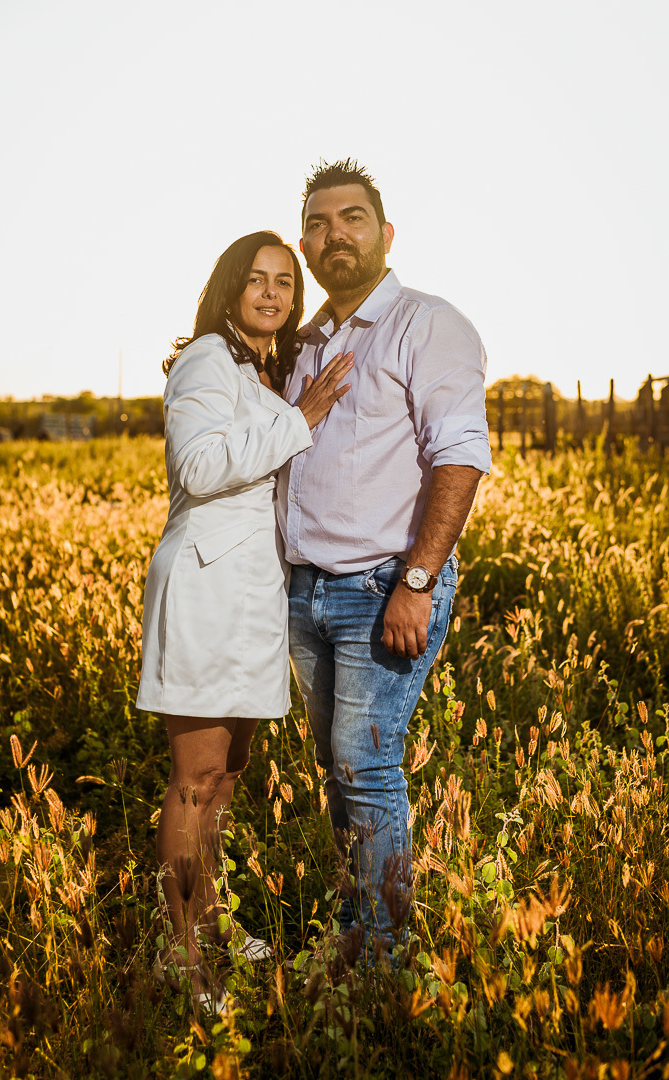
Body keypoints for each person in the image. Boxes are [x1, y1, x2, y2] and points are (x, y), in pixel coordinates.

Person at [277, 161, 492, 946]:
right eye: (320, 222)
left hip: (381, 587)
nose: (336, 233)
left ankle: (380, 963)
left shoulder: (425, 324)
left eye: (353, 217)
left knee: (365, 769)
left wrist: (417, 580)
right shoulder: (303, 344)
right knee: (340, 775)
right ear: (305, 243)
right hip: (305, 594)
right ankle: (356, 928)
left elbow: (459, 454)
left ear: (385, 232)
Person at [136, 230, 352, 1003]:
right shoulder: (205, 359)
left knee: (227, 776)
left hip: (247, 596)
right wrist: (306, 417)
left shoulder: (255, 372)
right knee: (194, 781)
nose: (271, 293)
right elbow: (197, 467)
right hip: (204, 590)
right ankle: (182, 955)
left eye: (284, 283)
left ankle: (216, 921)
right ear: (228, 289)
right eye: (256, 279)